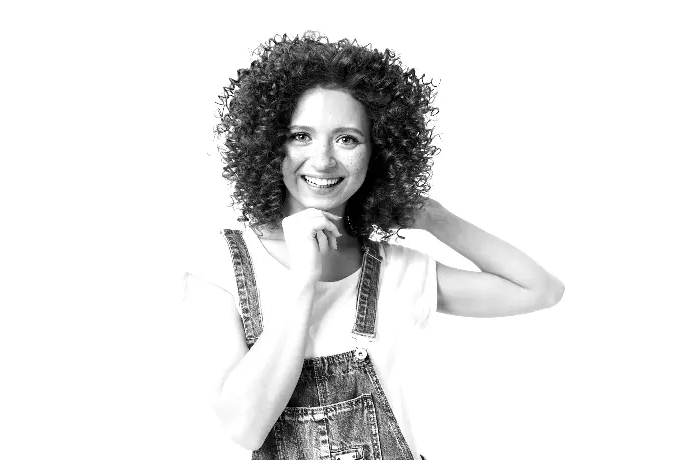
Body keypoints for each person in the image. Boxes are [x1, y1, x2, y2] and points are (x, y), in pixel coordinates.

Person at [187, 31, 565, 460]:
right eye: (300, 136)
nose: (324, 159)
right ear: (270, 143)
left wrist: (438, 220)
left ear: (377, 152)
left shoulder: (397, 270)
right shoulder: (220, 265)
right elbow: (244, 428)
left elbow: (540, 290)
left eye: (347, 138)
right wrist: (305, 280)